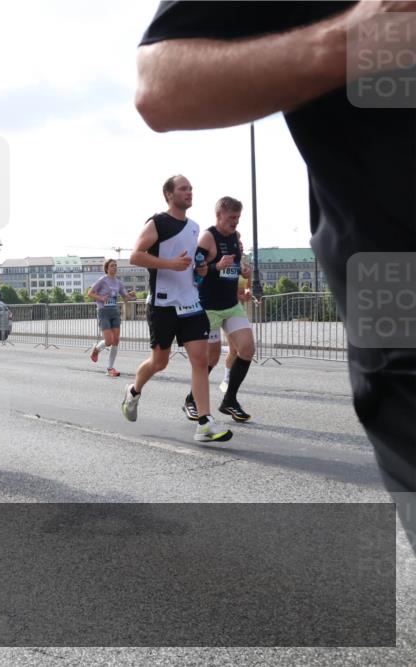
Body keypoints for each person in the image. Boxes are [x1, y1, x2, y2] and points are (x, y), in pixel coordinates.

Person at [135, 2, 415, 489]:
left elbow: (229, 267)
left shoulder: (231, 236)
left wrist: (243, 281)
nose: (229, 218)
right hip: (195, 303)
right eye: (229, 213)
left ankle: (218, 402)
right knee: (172, 360)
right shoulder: (189, 231)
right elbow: (189, 267)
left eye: (234, 215)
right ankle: (157, 392)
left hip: (221, 303)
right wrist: (194, 266)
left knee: (242, 348)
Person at [120, 175, 232, 443]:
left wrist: (201, 268)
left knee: (200, 360)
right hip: (163, 305)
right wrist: (170, 264)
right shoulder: (158, 222)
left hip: (191, 304)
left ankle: (204, 423)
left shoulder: (194, 227)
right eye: (183, 188)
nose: (189, 192)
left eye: (191, 188)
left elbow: (193, 267)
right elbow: (135, 256)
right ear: (169, 194)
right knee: (159, 361)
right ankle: (133, 391)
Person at [180, 196, 255, 422]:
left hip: (230, 305)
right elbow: (194, 271)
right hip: (208, 307)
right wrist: (215, 266)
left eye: (238, 218)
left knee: (248, 348)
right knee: (209, 358)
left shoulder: (234, 237)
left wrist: (243, 272)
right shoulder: (207, 238)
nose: (236, 222)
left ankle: (229, 400)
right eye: (232, 217)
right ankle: (191, 400)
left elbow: (232, 268)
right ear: (219, 215)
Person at [87, 259, 136, 377]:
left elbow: (125, 298)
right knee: (108, 341)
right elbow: (90, 293)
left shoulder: (118, 283)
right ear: (107, 268)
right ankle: (96, 349)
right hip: (103, 312)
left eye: (115, 266)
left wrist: (131, 296)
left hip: (114, 312)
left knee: (116, 340)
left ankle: (110, 368)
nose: (114, 267)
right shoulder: (102, 280)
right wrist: (101, 298)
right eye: (112, 266)